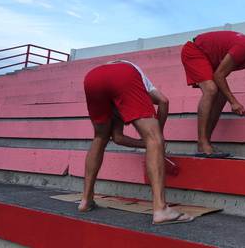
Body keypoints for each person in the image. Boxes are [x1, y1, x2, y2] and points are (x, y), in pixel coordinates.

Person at [80, 60, 193, 224]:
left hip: (92, 77)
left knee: (99, 137)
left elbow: (117, 138)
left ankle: (85, 200)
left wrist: (145, 143)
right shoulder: (139, 84)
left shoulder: (114, 103)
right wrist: (157, 139)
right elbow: (164, 101)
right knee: (154, 138)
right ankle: (161, 209)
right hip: (123, 73)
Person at [181, 31, 245, 157]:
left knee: (222, 95)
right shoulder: (244, 46)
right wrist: (234, 102)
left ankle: (206, 141)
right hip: (195, 50)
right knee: (211, 90)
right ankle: (202, 143)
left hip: (211, 59)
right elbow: (219, 76)